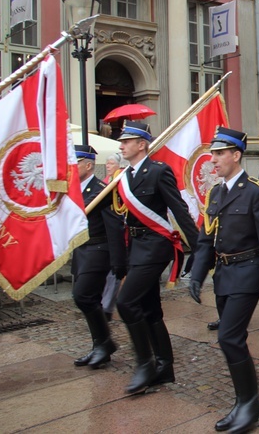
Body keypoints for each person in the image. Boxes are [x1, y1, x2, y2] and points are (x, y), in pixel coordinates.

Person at [188, 127, 259, 433]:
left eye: (219, 154)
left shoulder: (256, 192)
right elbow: (207, 238)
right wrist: (196, 275)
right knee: (234, 340)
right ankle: (246, 401)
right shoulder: (215, 193)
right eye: (213, 153)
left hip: (248, 273)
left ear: (236, 155)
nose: (213, 159)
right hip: (223, 275)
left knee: (228, 337)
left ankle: (249, 404)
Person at [114, 121, 199, 394]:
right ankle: (164, 367)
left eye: (126, 141)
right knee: (149, 308)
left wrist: (200, 250)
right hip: (136, 247)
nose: (121, 145)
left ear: (141, 144)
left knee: (126, 302)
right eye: (121, 141)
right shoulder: (123, 177)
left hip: (156, 247)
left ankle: (145, 364)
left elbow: (180, 209)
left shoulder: (158, 172)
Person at [71, 145, 126, 369]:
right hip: (82, 251)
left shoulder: (101, 189)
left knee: (82, 296)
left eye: (75, 163)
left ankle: (105, 343)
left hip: (99, 249)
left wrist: (118, 261)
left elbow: (114, 226)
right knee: (89, 299)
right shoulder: (73, 190)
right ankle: (100, 345)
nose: (71, 168)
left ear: (88, 165)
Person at [102, 152, 127, 321]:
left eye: (110, 163)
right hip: (106, 234)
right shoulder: (104, 182)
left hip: (121, 232)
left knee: (115, 271)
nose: (107, 166)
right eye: (107, 163)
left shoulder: (122, 180)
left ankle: (107, 307)